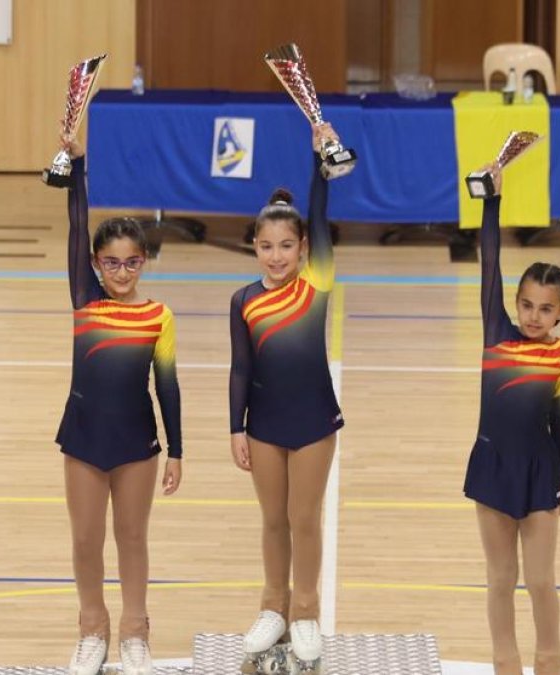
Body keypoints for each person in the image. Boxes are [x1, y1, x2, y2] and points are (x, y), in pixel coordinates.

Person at [57, 138, 183, 675]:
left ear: (144, 261)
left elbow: (168, 387)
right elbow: (75, 220)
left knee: (132, 538)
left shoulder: (159, 316)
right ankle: (92, 629)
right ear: (95, 263)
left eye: (132, 261)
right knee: (86, 539)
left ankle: (135, 632)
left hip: (136, 444)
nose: (122, 271)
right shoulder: (86, 298)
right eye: (111, 261)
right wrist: (78, 163)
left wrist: (177, 450)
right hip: (84, 439)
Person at [229, 125, 345, 671]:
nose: (276, 257)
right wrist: (236, 426)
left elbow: (319, 212)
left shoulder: (315, 283)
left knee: (305, 518)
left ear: (304, 249)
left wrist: (319, 155)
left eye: (287, 246)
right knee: (272, 520)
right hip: (264, 424)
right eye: (266, 246)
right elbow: (240, 368)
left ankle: (305, 612)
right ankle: (272, 605)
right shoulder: (244, 301)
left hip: (314, 421)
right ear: (254, 247)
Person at [463, 163, 560, 675]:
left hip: (540, 474)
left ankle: (548, 663)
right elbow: (490, 260)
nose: (533, 316)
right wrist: (492, 201)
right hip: (491, 468)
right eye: (526, 304)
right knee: (500, 578)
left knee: (542, 581)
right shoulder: (497, 334)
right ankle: (505, 666)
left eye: (544, 309)